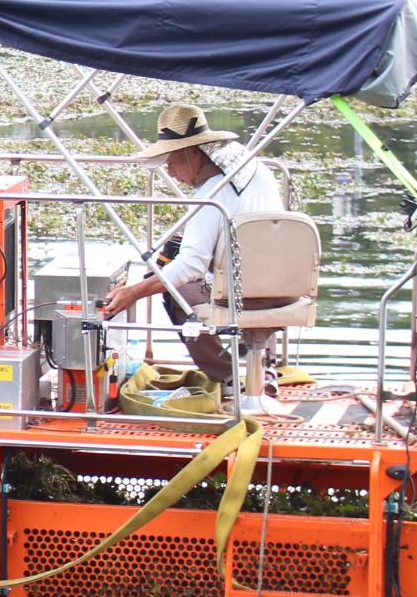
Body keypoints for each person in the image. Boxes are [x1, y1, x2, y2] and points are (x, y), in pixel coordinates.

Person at [99, 102, 287, 387]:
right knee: (177, 267)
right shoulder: (252, 165)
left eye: (172, 162)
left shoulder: (209, 196)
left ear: (191, 154)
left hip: (240, 294)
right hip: (282, 285)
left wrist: (134, 292)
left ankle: (228, 378)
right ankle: (264, 366)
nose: (171, 172)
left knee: (173, 290)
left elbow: (191, 266)